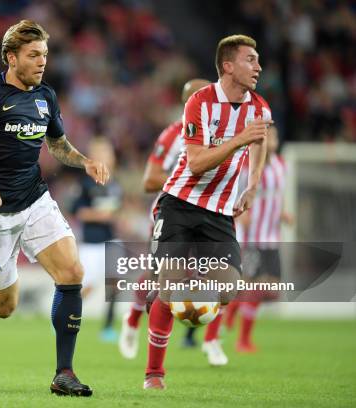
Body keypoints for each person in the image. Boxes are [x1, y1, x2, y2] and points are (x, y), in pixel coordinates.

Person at [0, 20, 109, 397]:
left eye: (45, 55)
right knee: (4, 306)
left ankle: (64, 373)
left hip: (34, 200)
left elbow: (57, 144)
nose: (41, 62)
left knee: (71, 271)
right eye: (33, 55)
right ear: (11, 57)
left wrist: (84, 161)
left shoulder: (45, 96)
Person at [144, 34, 273, 390]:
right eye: (251, 59)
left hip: (219, 212)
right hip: (181, 203)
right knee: (168, 285)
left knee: (230, 289)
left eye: (258, 59)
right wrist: (238, 140)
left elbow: (260, 139)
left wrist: (254, 182)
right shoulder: (199, 102)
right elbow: (198, 163)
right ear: (228, 66)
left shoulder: (259, 107)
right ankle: (154, 374)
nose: (258, 66)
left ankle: (183, 292)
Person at [119, 79, 210, 359]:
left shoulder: (219, 135)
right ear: (190, 103)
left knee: (205, 274)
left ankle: (209, 340)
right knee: (160, 277)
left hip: (206, 213)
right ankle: (133, 321)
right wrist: (188, 178)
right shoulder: (174, 135)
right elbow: (149, 180)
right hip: (171, 212)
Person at [227, 125, 291, 352]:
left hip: (272, 237)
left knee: (272, 290)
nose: (273, 138)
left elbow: (277, 195)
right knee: (254, 287)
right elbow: (235, 188)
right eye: (268, 135)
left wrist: (282, 213)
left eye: (275, 134)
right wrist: (240, 212)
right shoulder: (249, 163)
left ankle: (234, 305)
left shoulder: (281, 165)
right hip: (253, 236)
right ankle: (243, 340)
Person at [71, 137, 122, 343]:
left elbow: (115, 209)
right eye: (101, 153)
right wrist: (100, 216)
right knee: (87, 287)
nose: (106, 157)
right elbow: (77, 211)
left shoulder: (114, 182)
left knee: (116, 284)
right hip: (92, 242)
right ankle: (65, 317)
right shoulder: (85, 182)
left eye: (108, 153)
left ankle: (108, 327)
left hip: (111, 239)